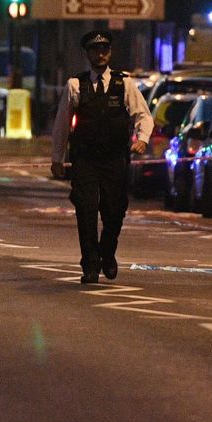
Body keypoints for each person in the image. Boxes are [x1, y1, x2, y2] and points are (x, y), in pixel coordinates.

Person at [49, 29, 152, 284]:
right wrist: (57, 158)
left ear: (110, 52)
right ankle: (90, 264)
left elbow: (143, 116)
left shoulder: (124, 83)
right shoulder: (75, 85)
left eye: (105, 49)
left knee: (115, 211)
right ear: (87, 54)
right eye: (95, 50)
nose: (101, 53)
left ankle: (107, 252)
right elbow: (62, 124)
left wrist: (142, 139)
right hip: (85, 159)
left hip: (115, 158)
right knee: (85, 210)